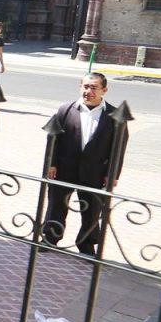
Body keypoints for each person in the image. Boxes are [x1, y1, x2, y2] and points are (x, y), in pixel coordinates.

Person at [40, 72, 128, 257]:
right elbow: (53, 138)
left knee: (92, 209)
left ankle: (87, 243)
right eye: (85, 86)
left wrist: (112, 174)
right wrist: (51, 163)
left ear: (104, 90)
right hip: (64, 168)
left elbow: (118, 148)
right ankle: (50, 237)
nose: (89, 91)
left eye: (94, 87)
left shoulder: (114, 116)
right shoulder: (66, 109)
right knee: (56, 204)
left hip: (94, 171)